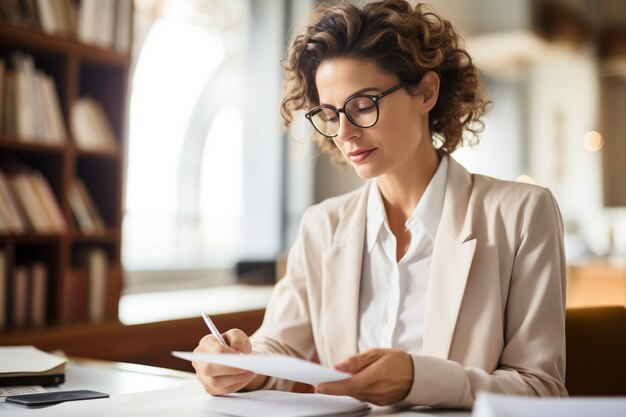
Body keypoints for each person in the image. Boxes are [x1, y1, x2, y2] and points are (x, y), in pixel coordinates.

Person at [193, 0, 567, 408]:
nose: (345, 133)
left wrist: (417, 379)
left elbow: (541, 388)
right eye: (331, 113)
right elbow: (280, 346)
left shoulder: (521, 215)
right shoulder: (323, 226)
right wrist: (239, 364)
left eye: (363, 104)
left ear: (426, 92)